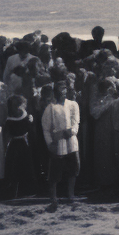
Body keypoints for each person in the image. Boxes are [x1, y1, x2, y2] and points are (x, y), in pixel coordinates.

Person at [42, 80, 80, 211]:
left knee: (73, 168)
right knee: (55, 171)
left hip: (71, 140)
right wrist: (50, 143)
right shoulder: (51, 108)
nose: (61, 92)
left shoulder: (73, 104)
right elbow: (46, 129)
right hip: (57, 141)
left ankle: (71, 195)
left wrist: (73, 131)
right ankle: (53, 197)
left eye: (64, 89)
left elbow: (76, 122)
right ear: (55, 92)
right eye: (59, 90)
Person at [2, 94, 35, 199]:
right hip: (16, 146)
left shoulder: (26, 116)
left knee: (25, 167)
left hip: (24, 145)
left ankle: (25, 191)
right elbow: (6, 136)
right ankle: (14, 192)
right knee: (15, 168)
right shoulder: (9, 120)